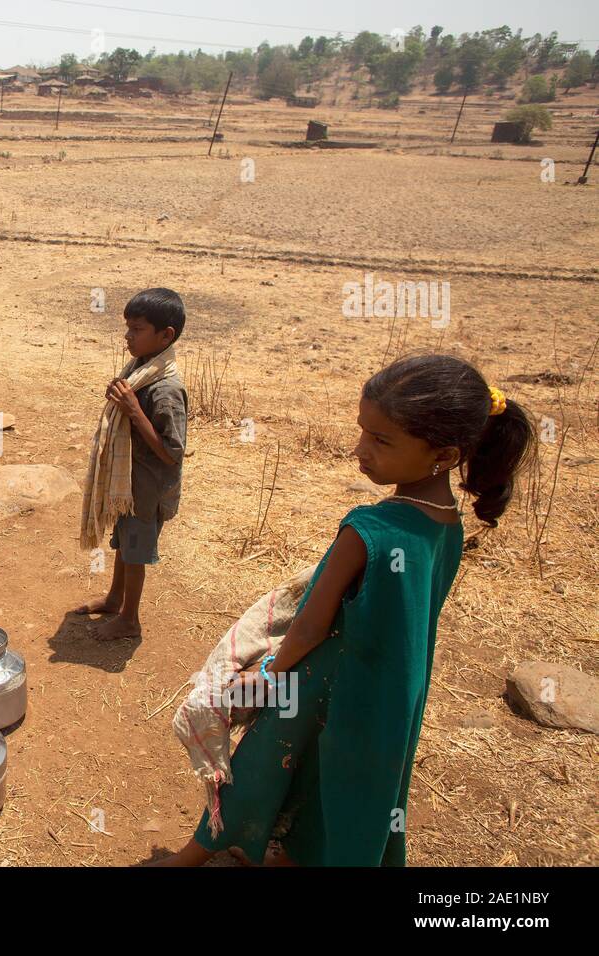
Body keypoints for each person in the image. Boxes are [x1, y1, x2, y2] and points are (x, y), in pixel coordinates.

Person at [160, 354, 535, 866]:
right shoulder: (448, 526)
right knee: (347, 782)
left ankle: (194, 853)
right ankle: (303, 853)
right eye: (363, 432)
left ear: (444, 455)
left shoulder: (368, 530)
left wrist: (269, 672)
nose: (360, 451)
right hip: (390, 694)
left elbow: (312, 623)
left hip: (320, 680)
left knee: (261, 763)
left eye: (380, 441)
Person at [75, 288, 188, 642]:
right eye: (128, 328)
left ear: (165, 335)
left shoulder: (165, 389)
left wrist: (134, 411)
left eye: (137, 329)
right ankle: (114, 599)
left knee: (136, 551)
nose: (128, 336)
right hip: (129, 483)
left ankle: (130, 620)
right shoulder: (141, 370)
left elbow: (172, 453)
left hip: (148, 486)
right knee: (124, 543)